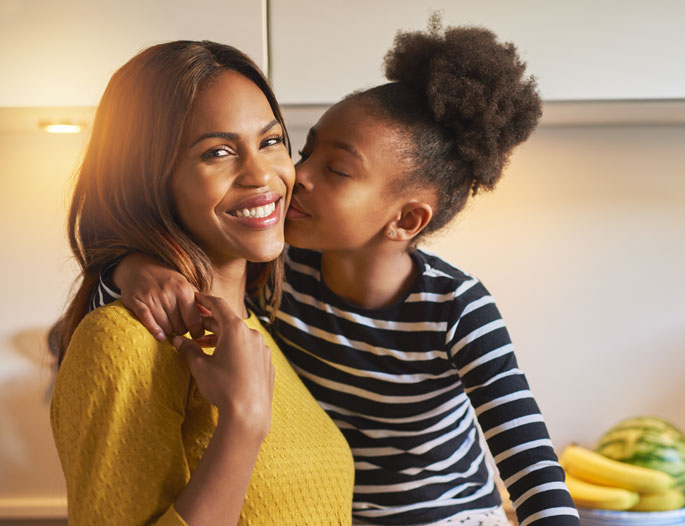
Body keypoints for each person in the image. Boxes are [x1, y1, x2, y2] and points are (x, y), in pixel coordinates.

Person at [95, 18, 580, 526]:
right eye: (305, 150)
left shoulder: (457, 309)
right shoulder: (277, 269)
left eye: (337, 170)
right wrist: (131, 268)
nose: (296, 175)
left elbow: (531, 470)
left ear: (405, 220)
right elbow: (120, 288)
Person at [48, 40, 354, 525]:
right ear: (147, 180)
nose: (261, 175)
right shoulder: (122, 343)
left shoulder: (258, 326)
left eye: (271, 141)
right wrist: (243, 422)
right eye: (217, 152)